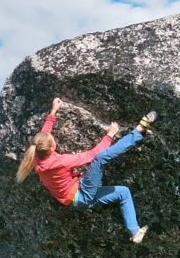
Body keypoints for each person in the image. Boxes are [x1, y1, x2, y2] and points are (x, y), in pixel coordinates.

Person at [16, 97, 157, 243]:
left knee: (123, 192)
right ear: (52, 147)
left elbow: (44, 135)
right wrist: (110, 135)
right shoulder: (60, 161)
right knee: (100, 159)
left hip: (78, 203)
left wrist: (53, 111)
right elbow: (92, 155)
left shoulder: (37, 156)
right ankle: (139, 130)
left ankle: (135, 232)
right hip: (82, 193)